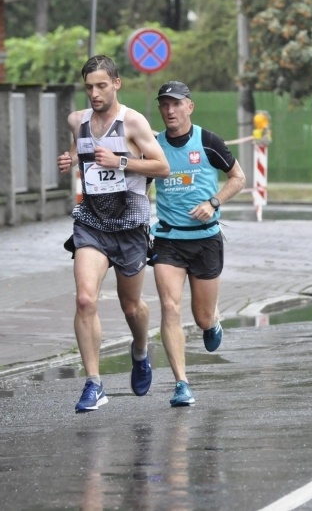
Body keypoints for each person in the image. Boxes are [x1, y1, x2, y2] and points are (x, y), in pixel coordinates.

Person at [57, 55, 170, 413]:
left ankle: (140, 350)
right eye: (89, 86)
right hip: (90, 222)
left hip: (131, 225)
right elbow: (81, 149)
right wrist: (71, 159)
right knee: (85, 300)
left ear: (116, 84)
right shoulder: (77, 121)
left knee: (131, 306)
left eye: (101, 85)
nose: (94, 93)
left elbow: (162, 166)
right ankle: (94, 383)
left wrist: (120, 161)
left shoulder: (133, 122)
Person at [151, 81, 245, 407]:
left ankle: (212, 321)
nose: (170, 110)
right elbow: (137, 181)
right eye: (164, 104)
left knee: (202, 317)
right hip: (167, 238)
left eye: (176, 104)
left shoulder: (208, 141)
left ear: (190, 106)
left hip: (205, 240)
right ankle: (181, 383)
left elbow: (239, 178)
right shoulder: (154, 145)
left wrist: (214, 203)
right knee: (169, 306)